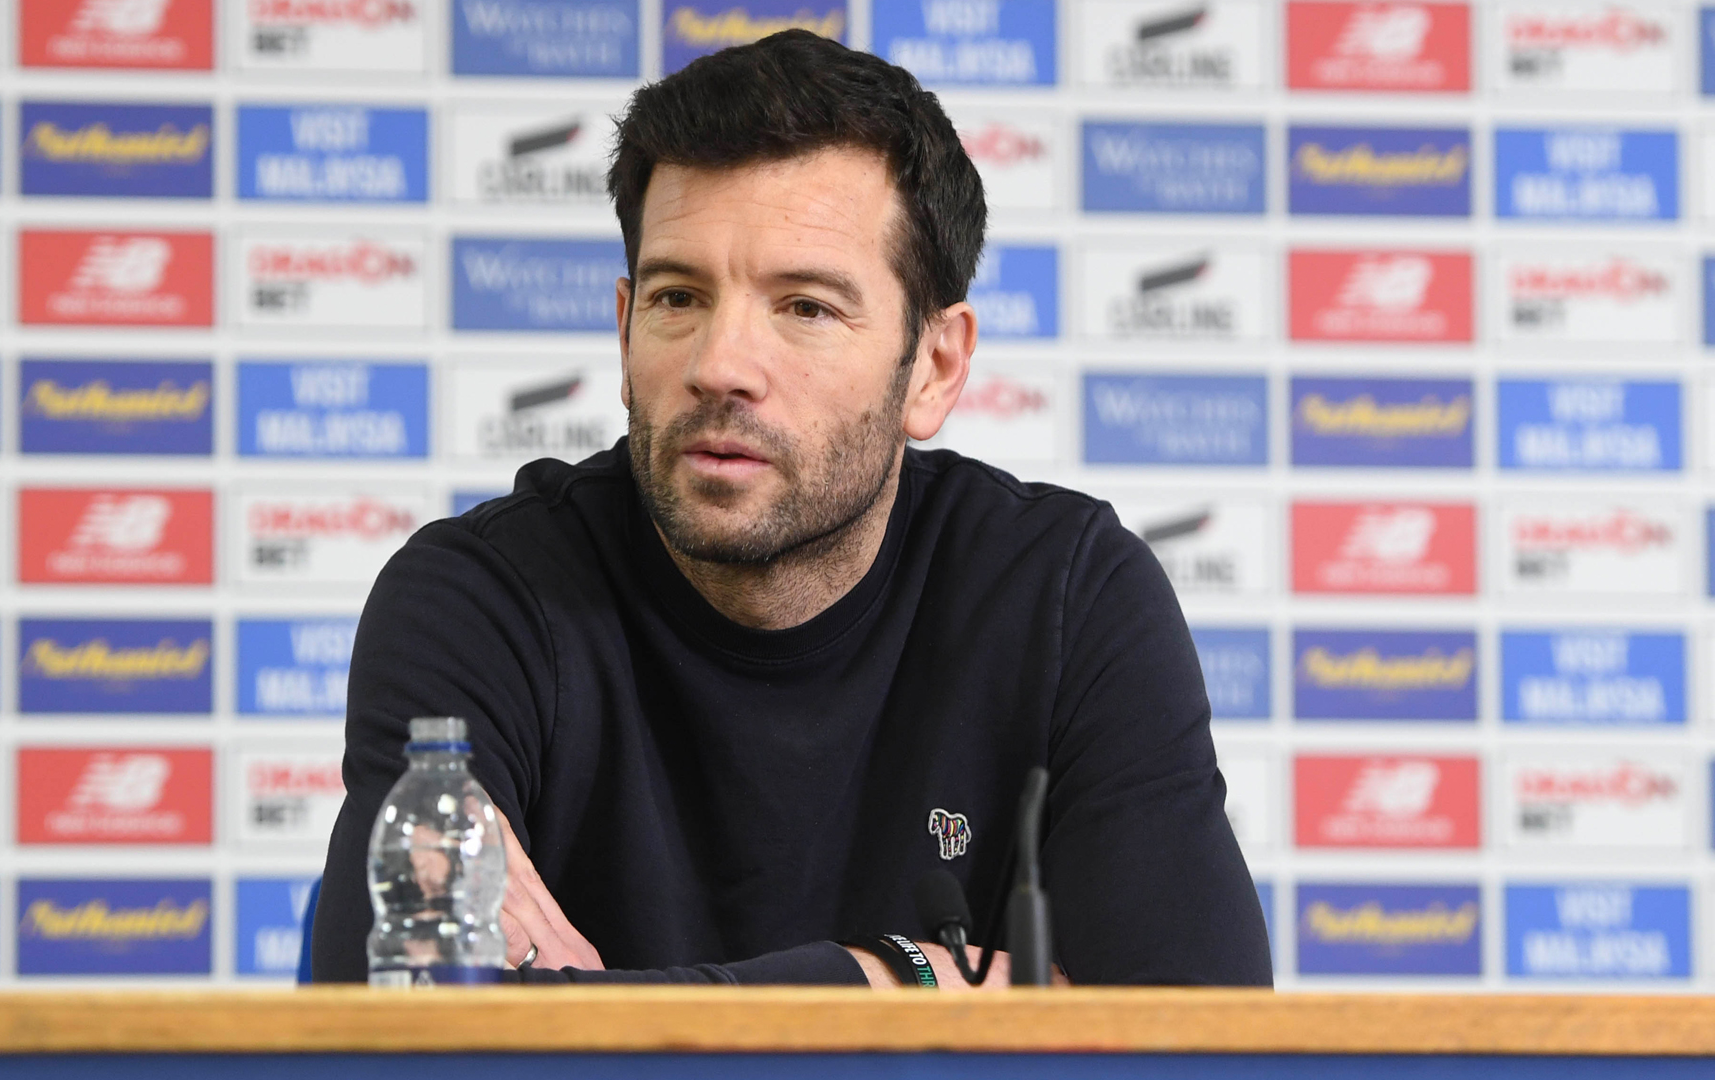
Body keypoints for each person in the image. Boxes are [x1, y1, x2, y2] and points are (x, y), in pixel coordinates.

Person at [311, 29, 1272, 988]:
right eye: (678, 298)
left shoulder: (1067, 595)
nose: (719, 365)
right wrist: (900, 980)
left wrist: (582, 1011)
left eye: (806, 306)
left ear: (934, 368)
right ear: (624, 329)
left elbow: (1198, 1031)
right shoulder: (481, 599)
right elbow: (385, 1023)